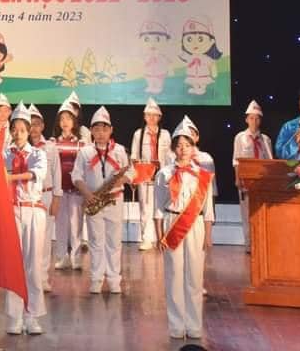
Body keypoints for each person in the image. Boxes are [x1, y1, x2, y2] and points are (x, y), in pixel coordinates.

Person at [155, 119, 215, 340]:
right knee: (174, 276)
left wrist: (208, 235)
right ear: (173, 148)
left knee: (195, 277)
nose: (183, 149)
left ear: (193, 147)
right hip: (172, 223)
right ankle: (176, 326)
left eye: (187, 145)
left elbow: (208, 209)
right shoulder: (164, 173)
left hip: (196, 225)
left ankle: (194, 325)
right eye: (179, 145)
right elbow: (158, 207)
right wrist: (159, 234)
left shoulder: (203, 175)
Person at [72, 106, 134, 294]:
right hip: (94, 201)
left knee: (114, 242)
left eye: (104, 129)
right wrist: (87, 194)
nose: (100, 133)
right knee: (95, 241)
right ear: (91, 131)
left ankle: (114, 279)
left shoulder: (120, 150)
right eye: (97, 129)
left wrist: (121, 179)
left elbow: (131, 171)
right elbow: (76, 175)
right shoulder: (85, 152)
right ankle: (96, 279)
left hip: (114, 200)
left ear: (111, 130)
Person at [4, 104, 47, 335]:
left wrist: (10, 177)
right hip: (12, 210)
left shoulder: (38, 153)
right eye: (15, 129)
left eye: (22, 129)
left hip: (33, 209)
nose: (18, 133)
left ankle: (32, 316)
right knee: (13, 265)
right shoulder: (5, 155)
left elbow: (34, 174)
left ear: (29, 130)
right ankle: (14, 316)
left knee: (33, 266)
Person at [130, 98, 171, 251]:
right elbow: (134, 156)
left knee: (161, 206)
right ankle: (146, 239)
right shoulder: (138, 134)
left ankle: (161, 237)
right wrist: (134, 177)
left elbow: (170, 155)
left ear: (159, 117)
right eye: (149, 115)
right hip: (144, 175)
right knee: (145, 207)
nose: (152, 118)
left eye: (155, 115)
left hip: (162, 175)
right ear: (144, 117)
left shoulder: (165, 134)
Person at [28, 105, 61, 291]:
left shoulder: (50, 147)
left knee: (45, 238)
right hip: (26, 197)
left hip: (46, 195)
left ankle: (42, 278)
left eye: (36, 124)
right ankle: (28, 277)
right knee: (28, 238)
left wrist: (56, 198)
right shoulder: (19, 148)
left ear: (42, 126)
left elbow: (57, 174)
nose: (33, 128)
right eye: (29, 124)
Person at [232, 100, 272, 252]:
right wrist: (237, 179)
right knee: (247, 212)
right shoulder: (240, 137)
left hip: (261, 180)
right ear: (246, 120)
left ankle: (261, 242)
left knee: (260, 212)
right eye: (251, 118)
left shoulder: (265, 139)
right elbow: (236, 160)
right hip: (246, 180)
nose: (254, 121)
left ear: (260, 121)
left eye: (257, 118)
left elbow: (270, 160)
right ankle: (249, 244)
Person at [52, 100, 85, 270]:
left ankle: (76, 258)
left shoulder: (81, 144)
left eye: (68, 118)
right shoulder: (52, 143)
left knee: (76, 225)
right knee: (60, 225)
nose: (65, 122)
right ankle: (62, 256)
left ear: (74, 122)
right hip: (59, 190)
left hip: (76, 191)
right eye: (62, 118)